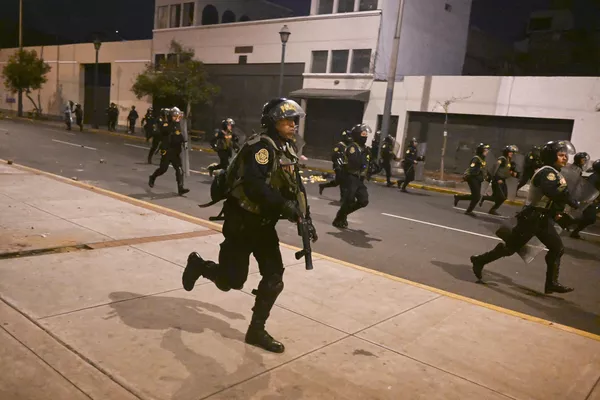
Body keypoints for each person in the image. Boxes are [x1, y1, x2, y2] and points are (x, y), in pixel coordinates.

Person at [181, 98, 317, 353]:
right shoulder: (261, 148)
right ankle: (199, 265)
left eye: (294, 120)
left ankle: (256, 330)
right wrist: (285, 208)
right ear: (272, 122)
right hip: (242, 222)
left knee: (275, 277)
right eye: (286, 120)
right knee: (231, 281)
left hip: (264, 225)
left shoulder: (286, 148)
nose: (292, 124)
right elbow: (255, 187)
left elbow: (295, 186)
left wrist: (305, 217)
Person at [470, 140, 579, 294]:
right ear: (551, 156)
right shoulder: (546, 172)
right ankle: (480, 260)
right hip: (531, 217)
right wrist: (573, 201)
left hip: (543, 218)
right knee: (510, 249)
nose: (565, 158)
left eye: (565, 155)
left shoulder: (555, 173)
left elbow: (551, 199)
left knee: (557, 248)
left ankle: (551, 283)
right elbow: (553, 192)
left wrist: (557, 213)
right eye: (561, 155)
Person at [332, 123, 371, 229]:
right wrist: (365, 162)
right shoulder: (352, 148)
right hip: (350, 177)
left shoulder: (365, 149)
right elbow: (355, 162)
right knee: (349, 200)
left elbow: (369, 163)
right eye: (363, 134)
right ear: (358, 135)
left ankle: (342, 215)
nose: (365, 137)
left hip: (359, 179)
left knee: (363, 200)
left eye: (366, 135)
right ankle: (340, 217)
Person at [148, 107, 189, 195]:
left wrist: (184, 141)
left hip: (176, 151)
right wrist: (174, 124)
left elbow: (179, 134)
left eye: (177, 116)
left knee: (179, 169)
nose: (177, 118)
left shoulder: (178, 124)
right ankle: (152, 177)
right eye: (175, 116)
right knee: (163, 169)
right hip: (167, 150)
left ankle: (180, 188)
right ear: (171, 116)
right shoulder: (166, 124)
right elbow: (165, 131)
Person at [479, 144, 520, 215]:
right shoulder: (502, 159)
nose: (512, 154)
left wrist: (515, 173)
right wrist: (497, 179)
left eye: (512, 152)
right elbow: (495, 169)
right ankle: (489, 204)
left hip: (503, 180)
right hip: (497, 180)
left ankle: (489, 205)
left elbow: (509, 172)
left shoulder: (508, 160)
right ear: (506, 152)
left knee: (503, 197)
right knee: (501, 197)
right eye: (510, 152)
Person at [454, 143, 490, 216]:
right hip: (473, 179)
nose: (487, 152)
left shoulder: (482, 158)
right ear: (481, 151)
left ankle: (458, 197)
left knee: (475, 196)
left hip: (478, 179)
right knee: (477, 197)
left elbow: (482, 169)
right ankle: (468, 211)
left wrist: (485, 175)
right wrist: (478, 173)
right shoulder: (476, 158)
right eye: (485, 150)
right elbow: (472, 169)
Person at [570, 159, 600, 239]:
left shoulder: (596, 176)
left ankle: (574, 229)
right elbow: (588, 189)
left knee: (589, 218)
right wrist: (590, 200)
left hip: (593, 200)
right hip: (590, 201)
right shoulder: (595, 177)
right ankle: (569, 222)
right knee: (590, 218)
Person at [319, 129, 352, 200]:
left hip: (346, 166)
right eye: (348, 136)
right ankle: (343, 198)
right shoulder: (340, 145)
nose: (349, 138)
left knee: (338, 182)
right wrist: (337, 165)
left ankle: (322, 186)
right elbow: (334, 155)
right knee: (343, 182)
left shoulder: (349, 146)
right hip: (338, 166)